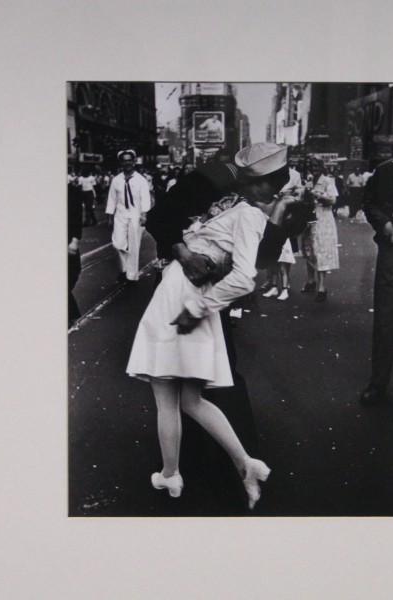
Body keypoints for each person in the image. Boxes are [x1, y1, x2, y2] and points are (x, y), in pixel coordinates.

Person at [127, 143, 299, 510]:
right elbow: (161, 218)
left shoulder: (250, 209)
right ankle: (224, 466)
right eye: (269, 185)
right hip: (194, 292)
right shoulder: (211, 182)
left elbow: (254, 263)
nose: (271, 193)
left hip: (194, 296)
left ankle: (191, 471)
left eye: (277, 187)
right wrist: (185, 253)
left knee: (182, 393)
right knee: (195, 392)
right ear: (250, 181)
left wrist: (208, 287)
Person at [360, 141, 393, 404]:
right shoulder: (388, 170)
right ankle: (378, 384)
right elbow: (369, 203)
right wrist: (385, 223)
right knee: (388, 315)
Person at [106, 149, 151, 282]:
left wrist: (144, 215)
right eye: (124, 160)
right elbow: (112, 199)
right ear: (121, 162)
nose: (127, 163)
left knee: (134, 246)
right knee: (117, 244)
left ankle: (131, 275)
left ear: (134, 161)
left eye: (129, 160)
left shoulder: (141, 180)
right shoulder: (116, 180)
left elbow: (145, 198)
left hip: (135, 216)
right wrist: (109, 217)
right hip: (120, 215)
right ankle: (124, 269)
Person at [261, 165, 305, 301]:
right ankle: (272, 282)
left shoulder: (294, 174)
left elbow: (300, 194)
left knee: (284, 254)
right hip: (271, 211)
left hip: (286, 214)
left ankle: (284, 284)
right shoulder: (269, 172)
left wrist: (289, 197)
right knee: (270, 249)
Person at [301, 161, 340, 302]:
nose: (314, 170)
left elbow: (333, 200)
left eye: (317, 167)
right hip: (309, 218)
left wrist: (317, 195)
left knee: (321, 250)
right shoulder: (309, 181)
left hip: (323, 218)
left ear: (322, 168)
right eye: (312, 167)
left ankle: (322, 287)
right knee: (308, 249)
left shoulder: (328, 181)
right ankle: (311, 281)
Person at [68, 168, 83, 326]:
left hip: (68, 239)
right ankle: (71, 314)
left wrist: (74, 239)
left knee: (73, 271)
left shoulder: (71, 191)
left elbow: (76, 216)